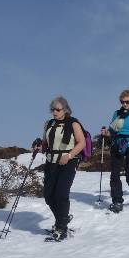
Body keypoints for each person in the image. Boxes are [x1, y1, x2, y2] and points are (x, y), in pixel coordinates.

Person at [32, 96, 86, 241]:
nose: (54, 112)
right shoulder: (48, 124)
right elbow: (45, 144)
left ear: (65, 109)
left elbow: (81, 143)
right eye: (52, 109)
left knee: (61, 194)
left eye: (58, 109)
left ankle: (61, 227)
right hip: (51, 162)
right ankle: (63, 219)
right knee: (49, 196)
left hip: (69, 162)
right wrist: (39, 146)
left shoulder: (73, 123)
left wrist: (68, 156)